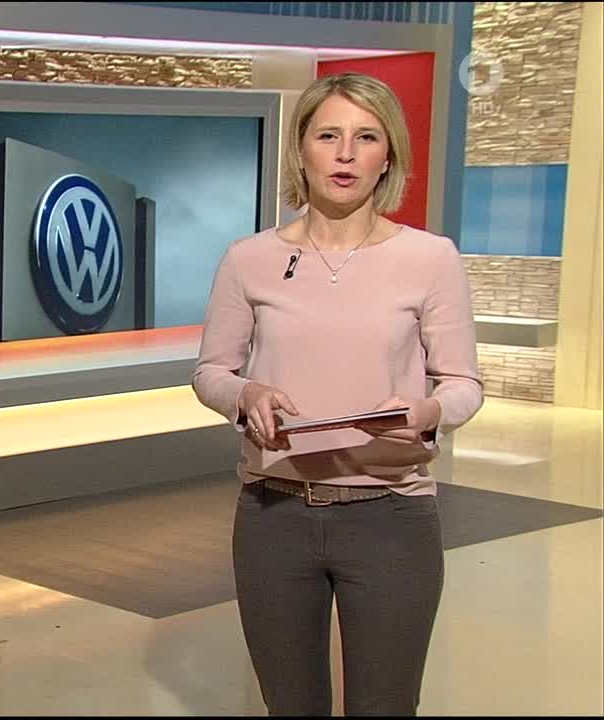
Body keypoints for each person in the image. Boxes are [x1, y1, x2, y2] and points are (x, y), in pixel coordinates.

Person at [192, 72, 484, 716]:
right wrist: (246, 395)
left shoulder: (430, 258)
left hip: (391, 516)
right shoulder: (248, 258)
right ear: (301, 149)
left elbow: (464, 383)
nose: (346, 154)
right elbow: (211, 371)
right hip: (273, 516)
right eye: (328, 136)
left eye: (366, 137)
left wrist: (429, 412)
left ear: (388, 156)